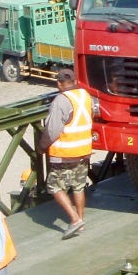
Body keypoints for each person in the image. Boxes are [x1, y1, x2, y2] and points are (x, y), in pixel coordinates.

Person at [39, 68, 92, 240]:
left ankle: (75, 220)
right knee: (78, 186)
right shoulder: (84, 95)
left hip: (65, 152)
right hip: (83, 150)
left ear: (59, 84)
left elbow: (53, 129)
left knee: (54, 186)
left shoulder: (61, 100)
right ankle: (81, 220)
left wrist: (42, 146)